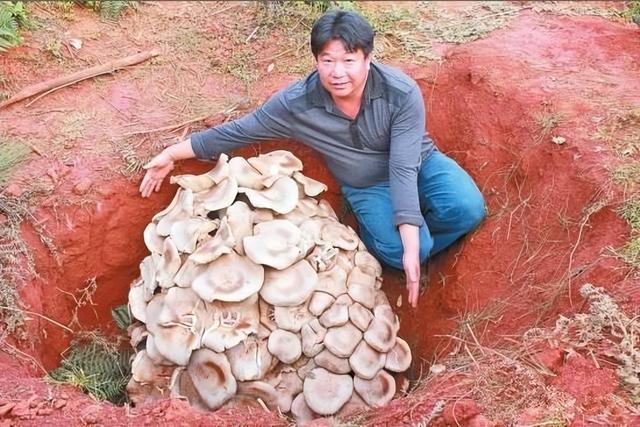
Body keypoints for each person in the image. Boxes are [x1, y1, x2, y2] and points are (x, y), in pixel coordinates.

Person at [139, 10, 485, 308]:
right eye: (327, 60)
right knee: (407, 249)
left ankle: (415, 242)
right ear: (316, 60)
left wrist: (411, 241)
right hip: (367, 185)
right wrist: (172, 153)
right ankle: (398, 242)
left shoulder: (401, 92)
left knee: (467, 208)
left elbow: (403, 167)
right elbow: (242, 131)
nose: (338, 72)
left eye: (349, 60)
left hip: (419, 163)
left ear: (368, 57)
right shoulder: (297, 103)